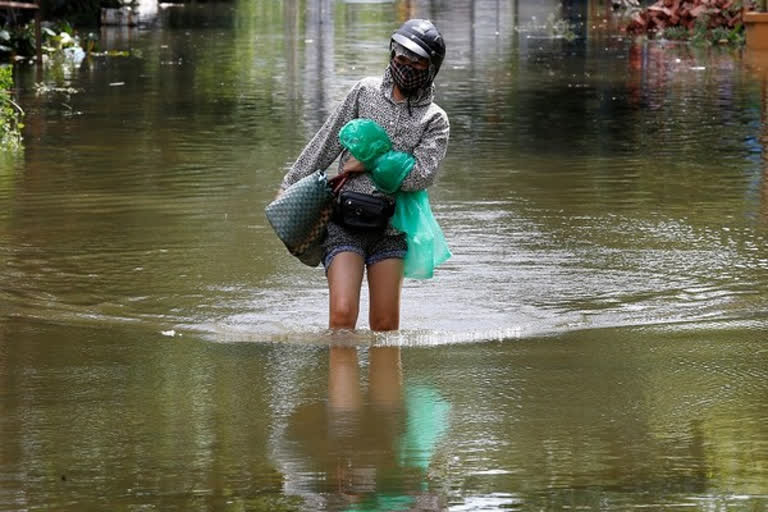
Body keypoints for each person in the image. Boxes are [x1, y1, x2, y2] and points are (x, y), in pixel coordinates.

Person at [280, 19, 449, 331]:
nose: (407, 65)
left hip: (392, 228)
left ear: (431, 67)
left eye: (417, 61)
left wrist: (368, 160)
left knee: (385, 327)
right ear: (392, 53)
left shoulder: (435, 120)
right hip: (344, 221)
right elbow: (327, 141)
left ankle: (383, 380)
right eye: (402, 57)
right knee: (342, 315)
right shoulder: (364, 92)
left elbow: (420, 175)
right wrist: (289, 186)